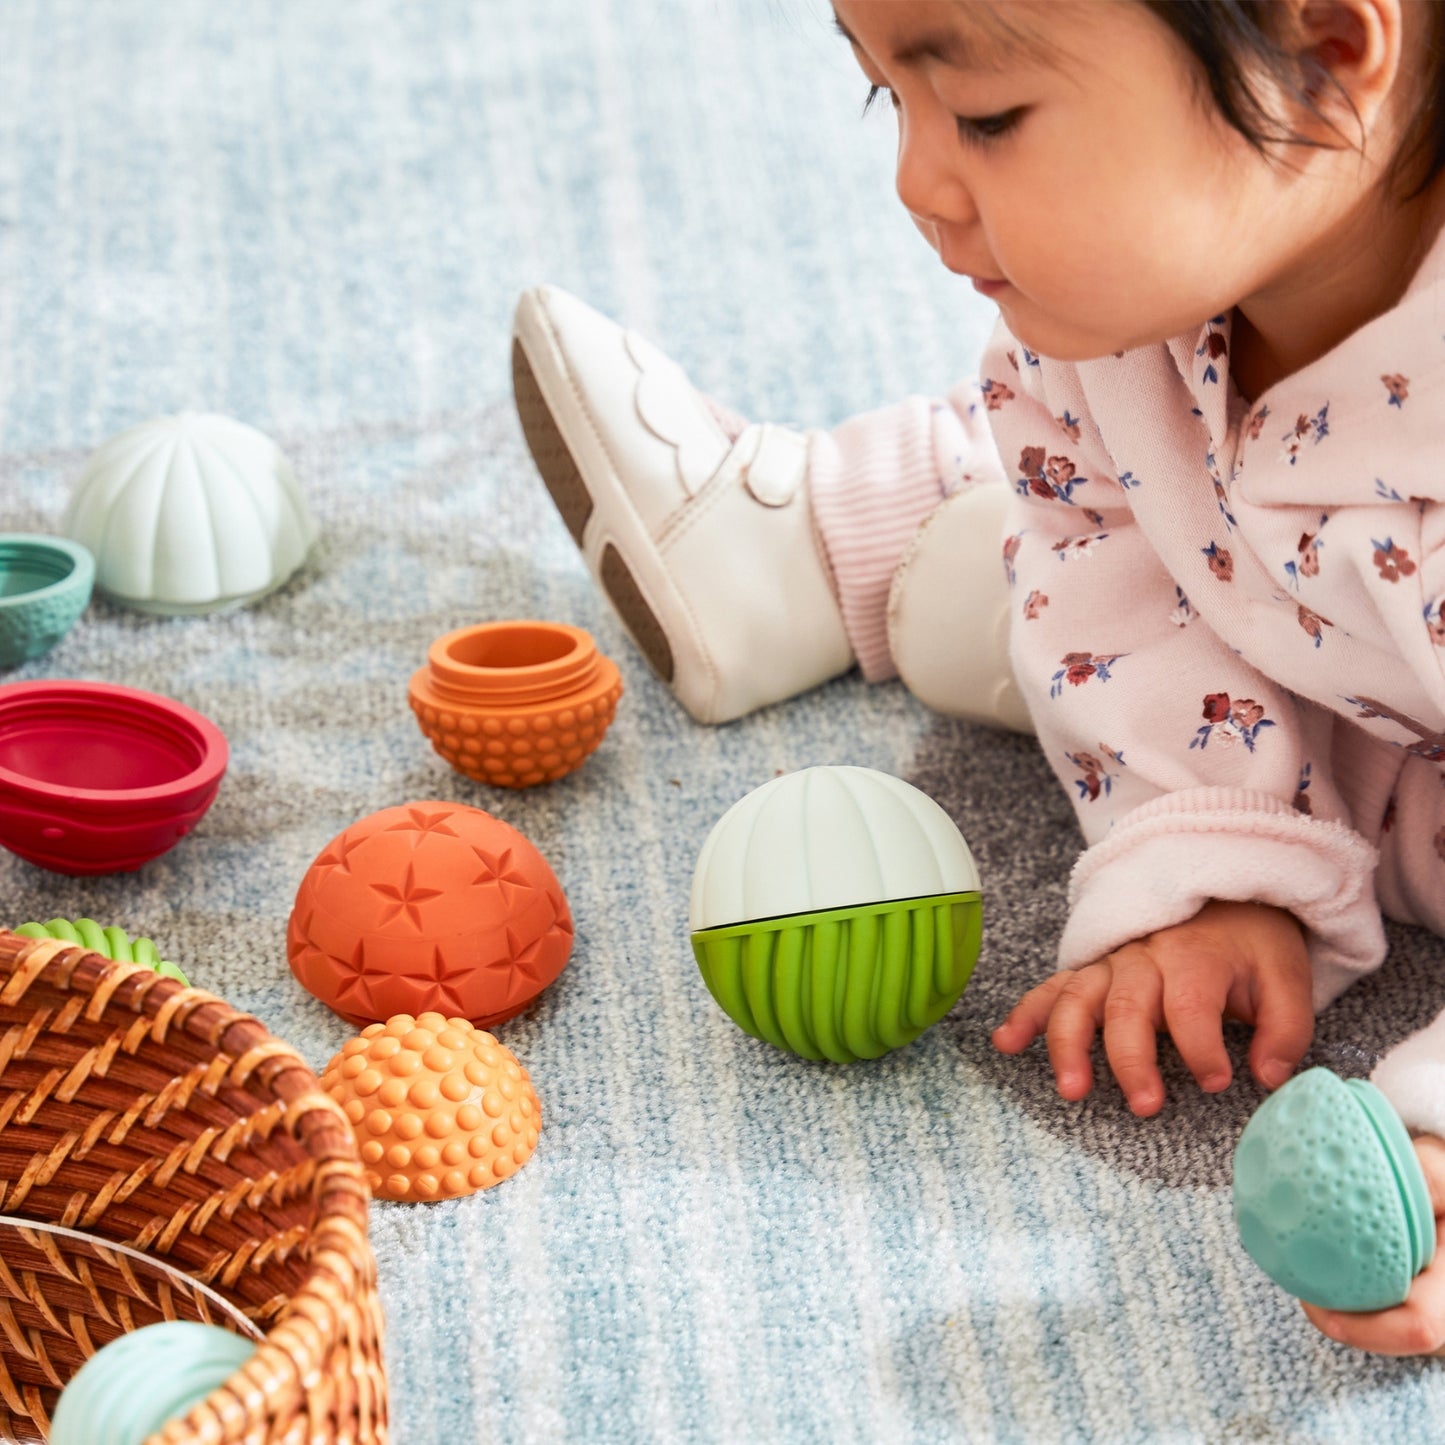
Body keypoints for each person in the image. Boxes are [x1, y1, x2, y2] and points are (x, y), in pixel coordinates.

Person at [510, 0, 1445, 1354]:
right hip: (1312, 636)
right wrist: (1215, 842)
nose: (916, 185)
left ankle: (826, 537)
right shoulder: (1137, 293)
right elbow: (1097, 533)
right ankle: (802, 542)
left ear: (1319, 52)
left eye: (987, 115)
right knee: (1017, 588)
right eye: (888, 95)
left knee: (1009, 593)